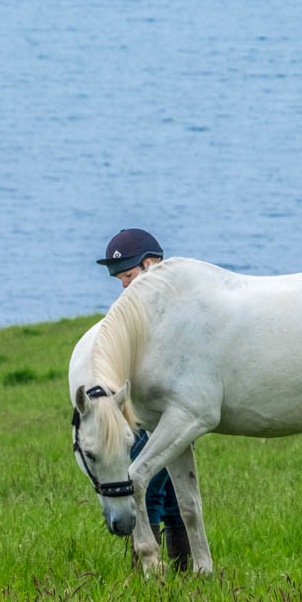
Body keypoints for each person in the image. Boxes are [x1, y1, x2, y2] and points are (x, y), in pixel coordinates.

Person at [97, 228, 192, 570]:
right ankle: (182, 568)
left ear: (151, 265)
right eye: (120, 279)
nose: (123, 285)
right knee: (168, 491)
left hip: (165, 411)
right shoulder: (142, 308)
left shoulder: (171, 311)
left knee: (148, 483)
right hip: (149, 409)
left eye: (128, 276)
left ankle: (147, 568)